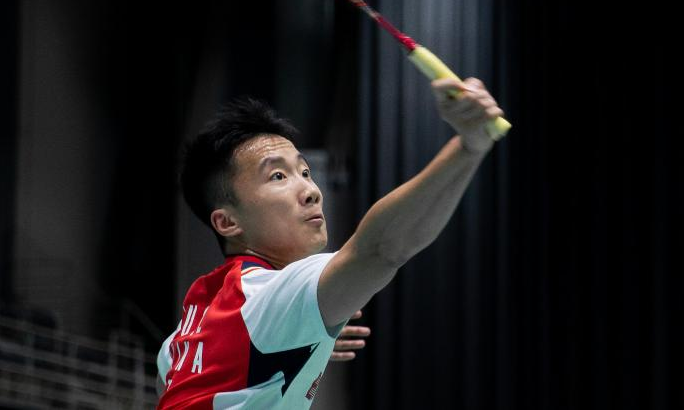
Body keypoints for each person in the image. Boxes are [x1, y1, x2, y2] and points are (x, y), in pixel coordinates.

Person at [155, 78, 504, 408]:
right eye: (278, 175)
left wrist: (302, 339)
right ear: (227, 222)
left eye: (305, 172)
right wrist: (468, 147)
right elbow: (380, 249)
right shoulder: (266, 295)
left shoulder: (179, 344)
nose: (311, 191)